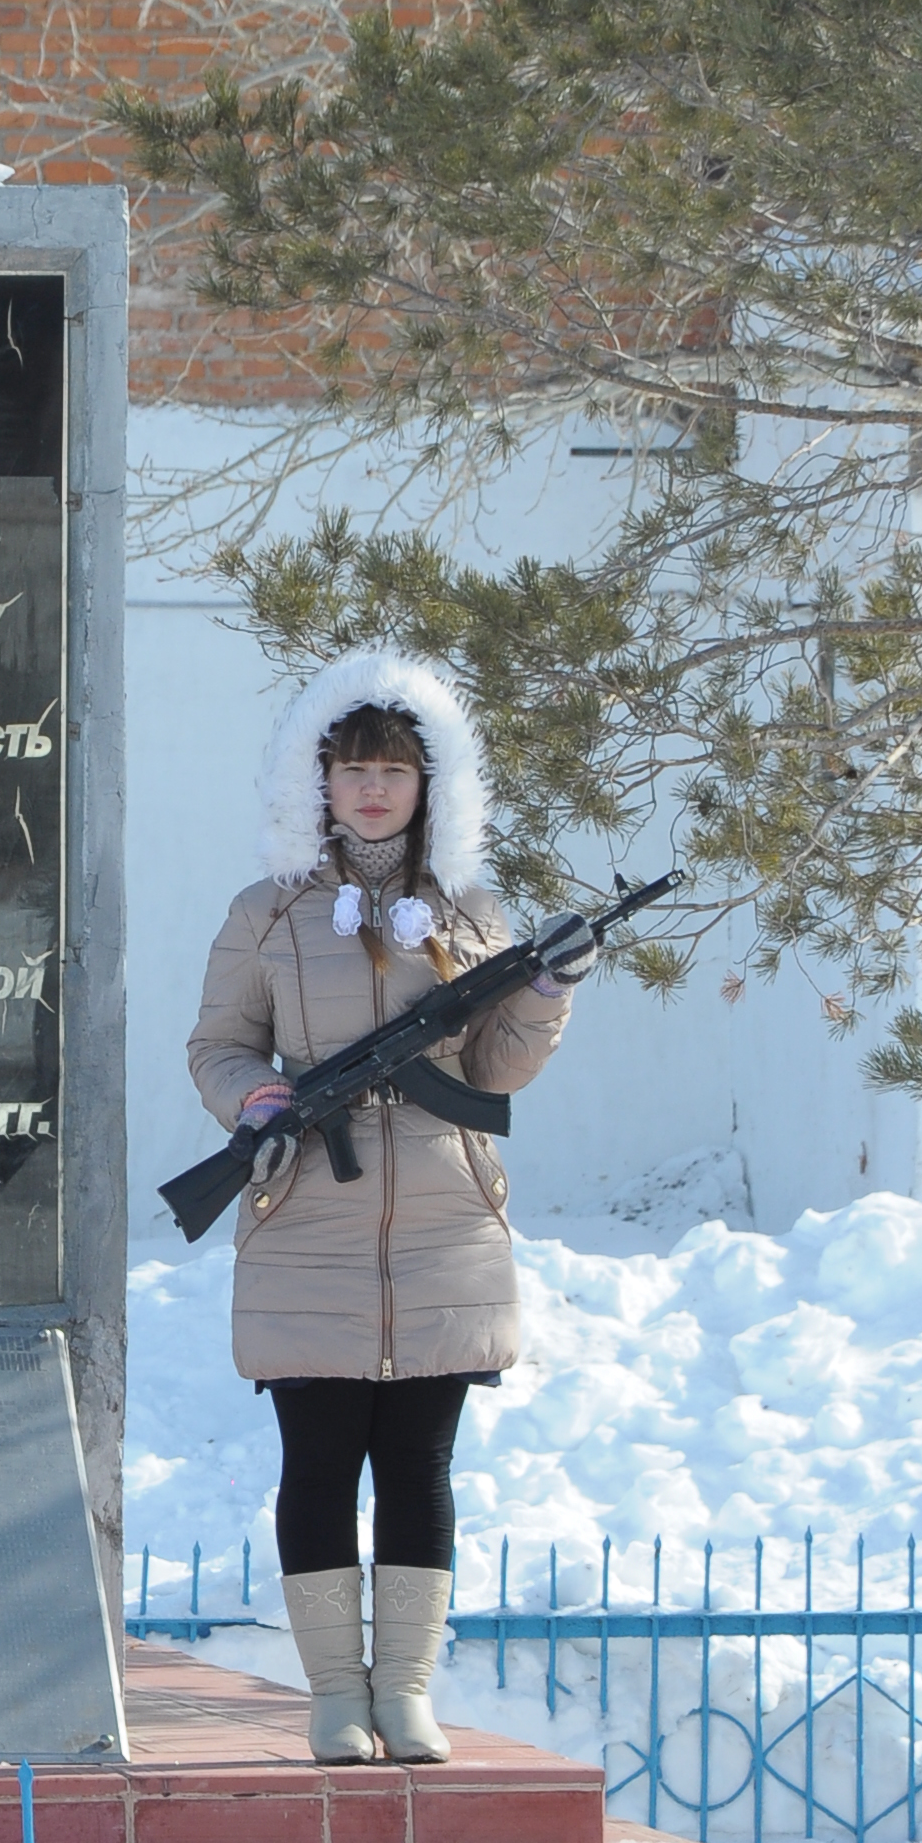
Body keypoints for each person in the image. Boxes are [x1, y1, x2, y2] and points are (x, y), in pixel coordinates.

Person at [186, 653, 583, 1767]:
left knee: (419, 1466)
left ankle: (404, 1692)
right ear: (316, 781)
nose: (372, 791)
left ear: (429, 785)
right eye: (352, 769)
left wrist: (546, 990)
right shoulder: (267, 913)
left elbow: (494, 1068)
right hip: (307, 1212)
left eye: (393, 772)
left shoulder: (471, 911)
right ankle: (331, 1697)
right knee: (316, 1463)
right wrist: (253, 1095)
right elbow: (217, 1043)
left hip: (444, 1227)